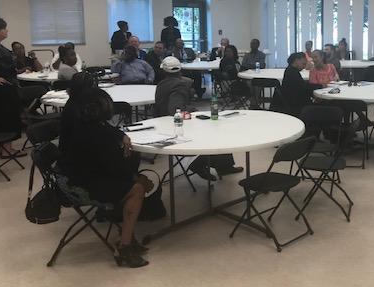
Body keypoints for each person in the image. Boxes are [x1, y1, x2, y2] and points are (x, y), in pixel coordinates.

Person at [63, 89, 152, 268]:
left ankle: (126, 237)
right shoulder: (99, 136)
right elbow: (118, 170)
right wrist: (137, 176)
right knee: (137, 189)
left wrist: (122, 136)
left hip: (78, 175)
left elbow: (109, 131)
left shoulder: (84, 125)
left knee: (135, 181)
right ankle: (125, 246)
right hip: (86, 184)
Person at [155, 57, 242, 178]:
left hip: (162, 124)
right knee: (217, 131)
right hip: (176, 126)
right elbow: (175, 110)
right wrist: (192, 109)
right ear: (180, 71)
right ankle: (201, 164)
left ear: (163, 72)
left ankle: (222, 166)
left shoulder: (161, 84)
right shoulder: (179, 85)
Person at [0, 18, 24, 157]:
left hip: (7, 87)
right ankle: (7, 149)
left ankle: (1, 147)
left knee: (3, 117)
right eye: (4, 28)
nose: (7, 30)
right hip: (1, 90)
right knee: (7, 118)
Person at [58, 71, 96, 153]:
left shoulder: (74, 100)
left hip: (72, 148)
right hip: (75, 154)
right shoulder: (80, 108)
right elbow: (94, 132)